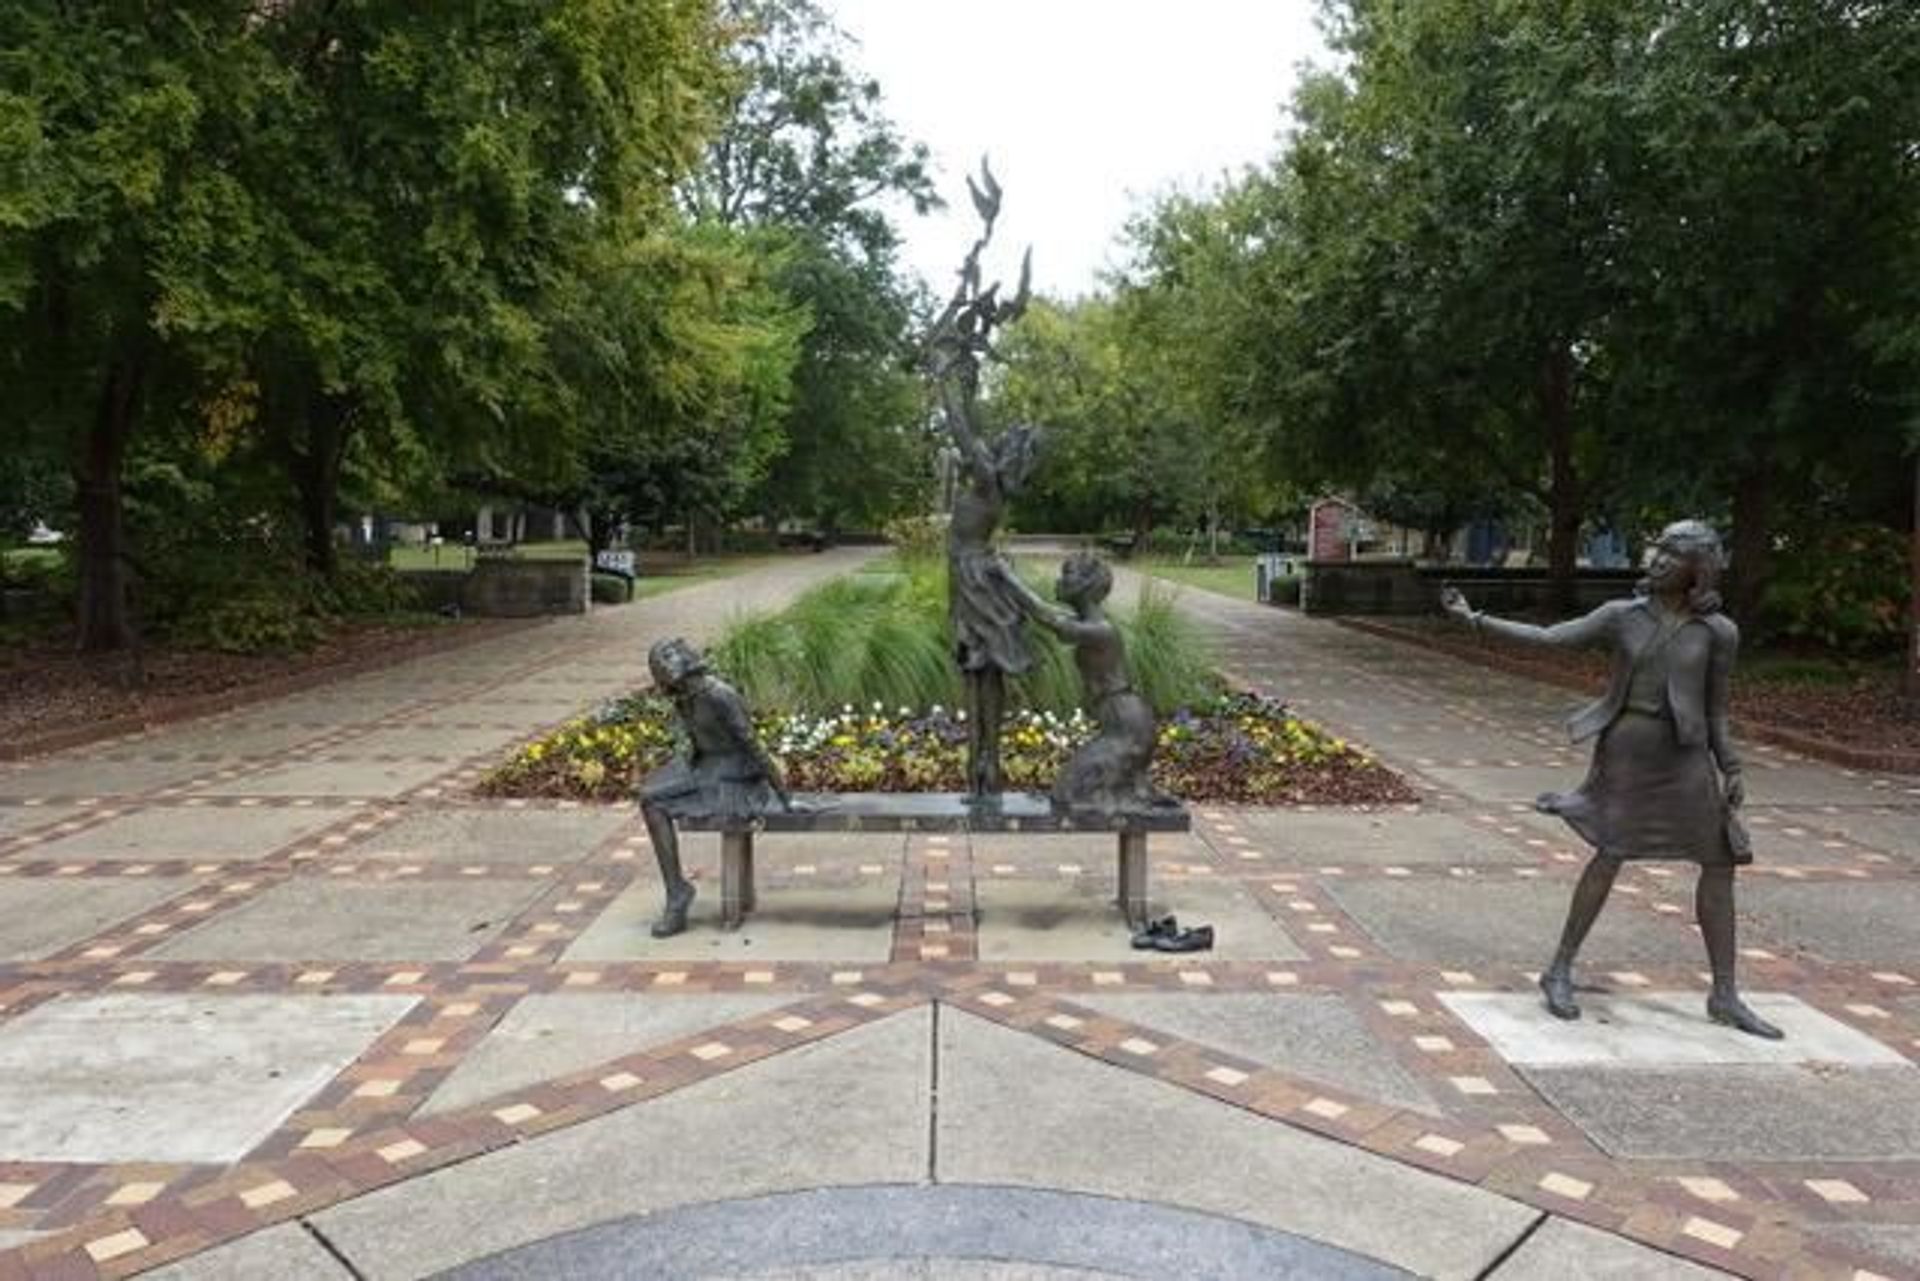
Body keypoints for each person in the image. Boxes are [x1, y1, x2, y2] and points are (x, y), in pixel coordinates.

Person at [1440, 520, 1780, 1039]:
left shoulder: (1717, 633)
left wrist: (1730, 764)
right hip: (1628, 748)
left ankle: (1725, 993)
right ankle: (1559, 969)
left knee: (1719, 861)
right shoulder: (1623, 616)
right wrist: (1474, 619)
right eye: (1658, 551)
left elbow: (1716, 711)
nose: (1658, 560)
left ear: (1698, 569)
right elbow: (1550, 639)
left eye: (1672, 555)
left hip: (1685, 756)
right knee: (1611, 851)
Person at [993, 551, 1173, 815]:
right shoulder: (1088, 623)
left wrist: (1006, 577)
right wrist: (1010, 580)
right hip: (1120, 723)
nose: (1059, 581)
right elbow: (1043, 610)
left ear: (1085, 587)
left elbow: (1048, 617)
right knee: (1067, 792)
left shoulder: (1101, 631)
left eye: (1067, 574)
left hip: (1130, 728)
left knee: (1072, 795)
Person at [638, 637, 791, 938]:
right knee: (649, 798)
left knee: (651, 799)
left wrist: (785, 796)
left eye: (668, 657)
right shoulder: (684, 695)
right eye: (658, 663)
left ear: (684, 658)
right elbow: (698, 742)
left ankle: (677, 896)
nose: (663, 667)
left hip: (733, 773)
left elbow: (753, 746)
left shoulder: (720, 695)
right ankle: (677, 891)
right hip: (707, 767)